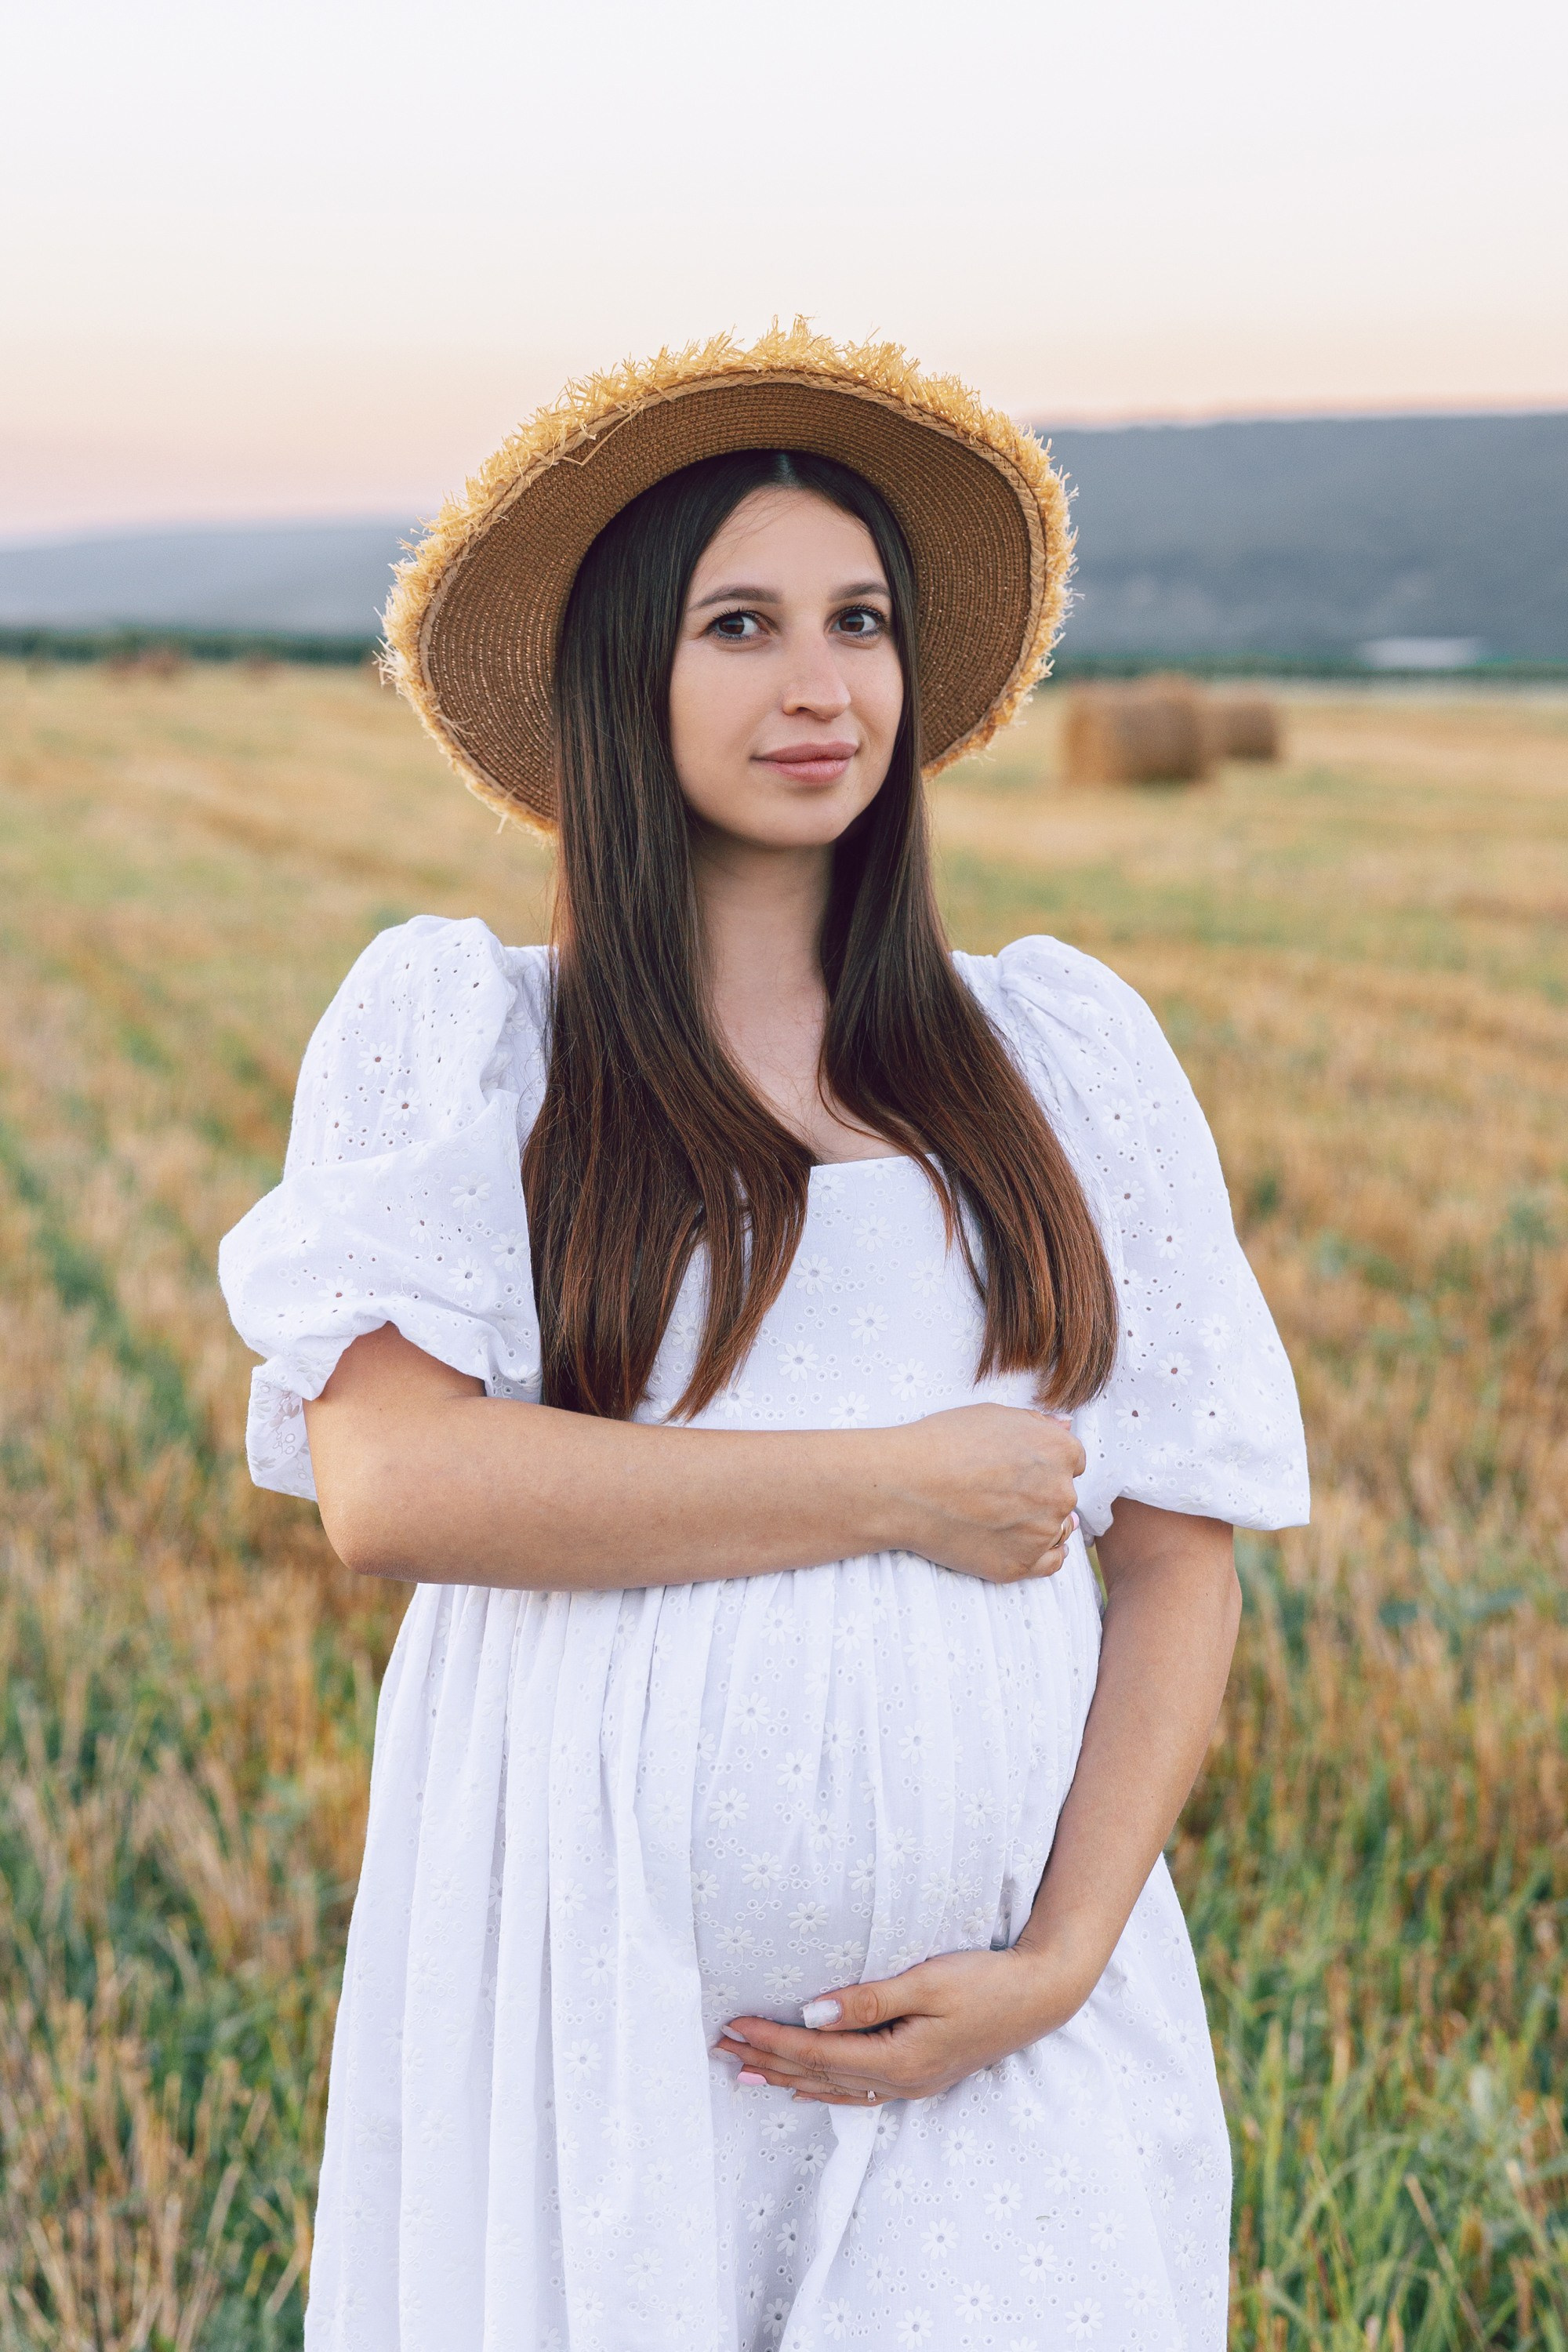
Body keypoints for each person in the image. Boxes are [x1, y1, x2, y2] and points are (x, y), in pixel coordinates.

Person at [220, 325, 1308, 2352]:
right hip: (600, 2011)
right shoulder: (479, 1043)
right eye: (742, 625)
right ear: (623, 677)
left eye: (859, 622)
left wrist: (1062, 1960)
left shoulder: (1052, 1057)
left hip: (1002, 2022)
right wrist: (897, 1488)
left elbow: (1179, 1547)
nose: (822, 686)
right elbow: (391, 1483)